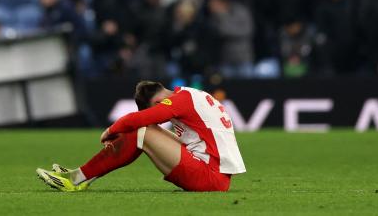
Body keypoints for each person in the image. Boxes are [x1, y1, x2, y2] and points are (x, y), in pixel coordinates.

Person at [36, 80, 246, 192]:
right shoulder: (190, 94)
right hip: (215, 174)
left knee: (141, 129)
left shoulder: (179, 102)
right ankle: (83, 176)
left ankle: (76, 178)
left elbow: (134, 120)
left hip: (209, 177)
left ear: (156, 103)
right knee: (144, 130)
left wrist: (109, 131)